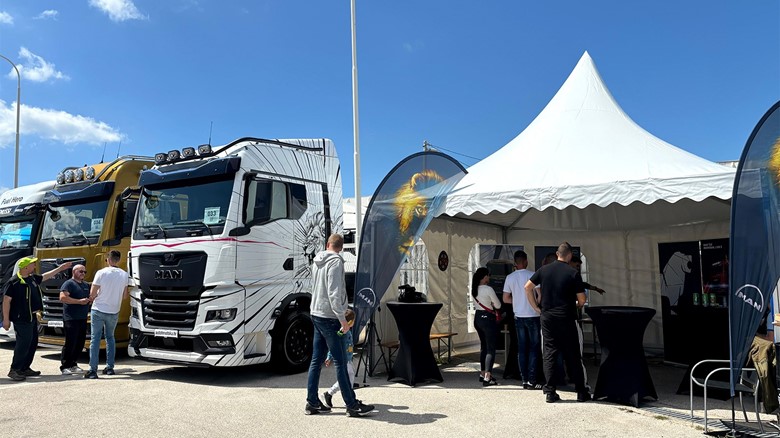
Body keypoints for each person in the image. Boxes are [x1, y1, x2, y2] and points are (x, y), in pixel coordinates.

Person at [306, 234, 373, 417]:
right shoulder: (336, 262)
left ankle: (311, 402)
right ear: (341, 248)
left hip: (316, 313)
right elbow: (334, 293)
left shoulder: (316, 260)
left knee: (315, 361)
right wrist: (343, 320)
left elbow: (316, 287)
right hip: (329, 317)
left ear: (327, 244)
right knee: (341, 362)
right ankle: (351, 405)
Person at [524, 242, 591, 403]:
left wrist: (536, 308)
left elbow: (527, 287)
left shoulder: (543, 270)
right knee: (573, 355)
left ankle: (550, 391)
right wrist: (577, 304)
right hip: (566, 317)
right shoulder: (573, 273)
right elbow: (582, 299)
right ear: (569, 256)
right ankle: (581, 391)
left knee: (549, 354)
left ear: (557, 253)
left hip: (548, 318)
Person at [2, 257, 72, 381]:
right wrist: (6, 319)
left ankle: (25, 367)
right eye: (32, 264)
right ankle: (15, 369)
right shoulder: (14, 282)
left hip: (32, 316)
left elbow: (45, 276)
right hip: (21, 318)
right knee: (23, 344)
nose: (35, 266)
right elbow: (6, 301)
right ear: (25, 267)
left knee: (32, 343)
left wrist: (60, 268)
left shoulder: (32, 278)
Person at [85, 250, 128, 379]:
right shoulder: (124, 275)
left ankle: (92, 370)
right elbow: (125, 296)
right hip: (114, 310)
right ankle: (110, 367)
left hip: (98, 309)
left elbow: (93, 293)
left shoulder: (101, 272)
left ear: (108, 260)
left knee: (95, 339)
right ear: (118, 260)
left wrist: (93, 298)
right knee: (110, 338)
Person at [503, 250, 541, 390]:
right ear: (526, 261)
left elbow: (505, 298)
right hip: (533, 315)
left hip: (518, 316)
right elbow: (539, 296)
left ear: (515, 262)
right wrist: (534, 303)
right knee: (534, 349)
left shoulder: (510, 277)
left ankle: (524, 379)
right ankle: (532, 379)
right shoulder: (532, 275)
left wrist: (517, 301)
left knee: (522, 349)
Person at [59, 264, 91, 375]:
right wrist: (79, 301)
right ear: (74, 272)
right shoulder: (69, 284)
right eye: (80, 271)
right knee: (70, 342)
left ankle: (73, 363)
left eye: (84, 272)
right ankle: (65, 365)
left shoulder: (86, 285)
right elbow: (63, 297)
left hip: (82, 318)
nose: (83, 274)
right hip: (71, 318)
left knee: (80, 342)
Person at [472, 267, 501, 387]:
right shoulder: (488, 289)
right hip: (487, 319)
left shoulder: (474, 289)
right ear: (484, 278)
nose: (489, 277)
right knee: (490, 348)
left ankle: (482, 372)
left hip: (477, 317)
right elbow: (498, 305)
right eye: (488, 275)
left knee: (483, 347)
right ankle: (488, 377)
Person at [322, 308, 356, 408]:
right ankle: (348, 399)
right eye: (353, 320)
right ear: (349, 322)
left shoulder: (348, 331)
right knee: (348, 378)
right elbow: (334, 346)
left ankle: (330, 394)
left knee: (349, 377)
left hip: (348, 359)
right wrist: (329, 357)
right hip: (343, 359)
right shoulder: (341, 333)